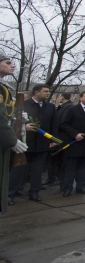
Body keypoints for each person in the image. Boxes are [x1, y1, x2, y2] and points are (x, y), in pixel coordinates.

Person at [21, 85, 58, 203]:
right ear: (36, 92)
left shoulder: (50, 107)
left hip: (42, 143)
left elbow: (54, 124)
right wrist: (23, 127)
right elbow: (14, 121)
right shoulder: (24, 104)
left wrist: (53, 140)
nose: (48, 93)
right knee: (20, 169)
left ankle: (34, 192)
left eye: (48, 91)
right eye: (45, 91)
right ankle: (12, 192)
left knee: (37, 170)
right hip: (25, 142)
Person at [0, 57, 28, 212]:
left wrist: (17, 117)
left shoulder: (4, 88)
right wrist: (12, 141)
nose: (12, 66)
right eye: (7, 63)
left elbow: (5, 113)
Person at [60, 91, 85, 197]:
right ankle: (67, 188)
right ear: (80, 98)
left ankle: (81, 186)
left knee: (84, 167)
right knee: (71, 167)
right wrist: (75, 134)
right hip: (74, 143)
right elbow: (64, 124)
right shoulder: (72, 109)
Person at [45, 93, 74, 186]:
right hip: (58, 136)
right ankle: (53, 177)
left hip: (62, 137)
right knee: (54, 158)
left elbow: (62, 122)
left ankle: (58, 178)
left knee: (59, 159)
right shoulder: (63, 107)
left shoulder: (68, 107)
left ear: (61, 97)